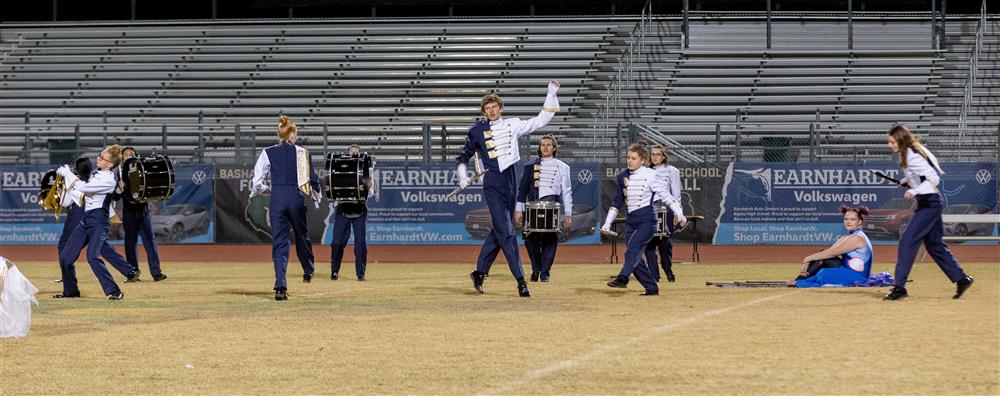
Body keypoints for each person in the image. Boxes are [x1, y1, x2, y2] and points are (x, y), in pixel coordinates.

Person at [457, 80, 560, 297]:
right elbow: (462, 158)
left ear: (500, 108)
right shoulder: (476, 131)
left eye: (494, 107)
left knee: (501, 229)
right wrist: (462, 177)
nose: (491, 111)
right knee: (508, 232)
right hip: (493, 183)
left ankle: (480, 271)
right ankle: (521, 281)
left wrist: (551, 93)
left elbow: (541, 120)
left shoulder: (513, 124)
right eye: (487, 108)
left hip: (511, 179)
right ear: (484, 111)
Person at [883, 124, 974, 301]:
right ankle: (961, 279)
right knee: (934, 245)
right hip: (930, 203)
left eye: (892, 141)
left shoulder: (912, 156)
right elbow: (920, 177)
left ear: (900, 139)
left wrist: (915, 191)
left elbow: (933, 178)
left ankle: (899, 287)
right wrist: (907, 181)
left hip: (929, 203)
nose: (889, 145)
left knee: (908, 241)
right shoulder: (910, 152)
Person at [250, 115, 321, 301]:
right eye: (295, 133)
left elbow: (257, 182)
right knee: (302, 235)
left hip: (277, 200)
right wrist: (316, 198)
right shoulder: (302, 152)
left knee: (280, 243)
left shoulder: (268, 152)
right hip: (295, 199)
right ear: (291, 133)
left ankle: (280, 286)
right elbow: (313, 181)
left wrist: (266, 189)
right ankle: (308, 270)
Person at [602, 142, 686, 296]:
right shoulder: (622, 176)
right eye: (628, 158)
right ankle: (651, 287)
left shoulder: (651, 175)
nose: (629, 161)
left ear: (642, 161)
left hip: (647, 219)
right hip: (631, 220)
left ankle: (623, 278)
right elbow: (616, 202)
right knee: (635, 256)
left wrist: (679, 214)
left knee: (632, 250)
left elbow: (666, 196)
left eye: (633, 158)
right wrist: (607, 222)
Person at [54, 145, 137, 300]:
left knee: (92, 257)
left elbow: (83, 187)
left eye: (102, 158)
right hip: (87, 219)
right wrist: (67, 186)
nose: (98, 158)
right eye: (100, 155)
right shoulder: (97, 174)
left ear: (110, 164)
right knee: (66, 256)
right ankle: (70, 291)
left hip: (99, 221)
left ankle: (114, 291)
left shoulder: (109, 179)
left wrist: (68, 174)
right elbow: (82, 197)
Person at [514, 135, 572, 283]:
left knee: (550, 240)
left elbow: (566, 191)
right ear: (539, 148)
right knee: (530, 239)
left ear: (554, 148)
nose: (545, 147)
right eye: (542, 145)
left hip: (552, 206)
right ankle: (536, 269)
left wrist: (568, 214)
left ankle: (545, 272)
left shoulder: (563, 167)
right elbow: (522, 190)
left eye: (548, 145)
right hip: (532, 206)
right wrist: (519, 210)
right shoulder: (529, 166)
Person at [115, 147, 167, 282]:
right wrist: (119, 189)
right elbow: (114, 197)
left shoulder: (142, 170)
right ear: (121, 158)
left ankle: (156, 273)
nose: (128, 156)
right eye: (125, 154)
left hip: (144, 211)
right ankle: (133, 273)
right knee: (130, 243)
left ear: (136, 156)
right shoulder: (118, 174)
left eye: (131, 154)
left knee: (150, 242)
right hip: (129, 213)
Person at [794, 205, 874, 288]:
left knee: (823, 273)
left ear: (859, 221)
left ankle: (801, 279)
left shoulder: (857, 238)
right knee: (822, 254)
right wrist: (810, 259)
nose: (848, 222)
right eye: (846, 219)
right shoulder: (847, 237)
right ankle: (803, 277)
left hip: (857, 277)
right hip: (847, 270)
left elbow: (832, 253)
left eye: (853, 219)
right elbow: (828, 252)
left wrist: (807, 259)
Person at [330, 144, 375, 281]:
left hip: (359, 209)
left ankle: (361, 274)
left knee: (360, 244)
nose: (354, 155)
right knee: (337, 243)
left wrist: (369, 186)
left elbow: (372, 193)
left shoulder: (368, 169)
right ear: (347, 154)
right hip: (343, 208)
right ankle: (334, 270)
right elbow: (333, 189)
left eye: (357, 153)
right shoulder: (339, 169)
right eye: (352, 152)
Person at [644, 145, 682, 282]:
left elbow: (676, 194)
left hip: (665, 209)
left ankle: (668, 270)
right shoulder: (645, 171)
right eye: (652, 154)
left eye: (658, 154)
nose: (654, 157)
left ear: (664, 156)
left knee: (664, 242)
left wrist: (678, 213)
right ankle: (654, 275)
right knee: (648, 244)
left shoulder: (672, 171)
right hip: (648, 210)